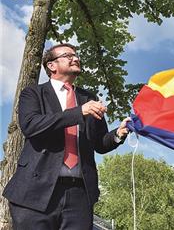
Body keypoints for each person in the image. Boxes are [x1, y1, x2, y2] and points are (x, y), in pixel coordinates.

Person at [3, 43, 131, 229]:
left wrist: (118, 134)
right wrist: (79, 112)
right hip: (35, 192)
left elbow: (100, 143)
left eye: (76, 55)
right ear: (51, 65)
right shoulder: (33, 93)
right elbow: (31, 126)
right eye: (68, 55)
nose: (76, 58)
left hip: (79, 195)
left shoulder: (88, 98)